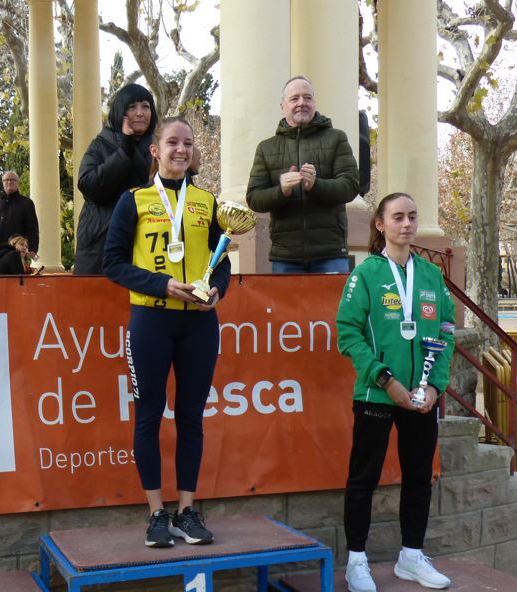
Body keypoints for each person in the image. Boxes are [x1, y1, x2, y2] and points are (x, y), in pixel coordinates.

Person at [104, 116, 230, 548]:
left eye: (188, 143)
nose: (182, 149)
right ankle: (156, 513)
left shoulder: (207, 201)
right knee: (149, 416)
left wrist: (218, 290)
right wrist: (161, 285)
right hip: (151, 320)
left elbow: (223, 258)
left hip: (198, 322)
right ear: (155, 150)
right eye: (172, 142)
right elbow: (113, 263)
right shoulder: (133, 200)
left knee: (192, 417)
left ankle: (187, 511)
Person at [336, 192, 455, 592]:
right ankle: (356, 561)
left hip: (421, 398)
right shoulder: (366, 274)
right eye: (398, 217)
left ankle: (411, 557)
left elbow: (446, 331)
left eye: (412, 217)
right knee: (362, 480)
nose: (407, 224)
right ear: (380, 225)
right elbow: (347, 332)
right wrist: (385, 379)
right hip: (377, 394)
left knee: (420, 477)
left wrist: (436, 385)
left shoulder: (431, 275)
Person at [246, 75, 359, 273]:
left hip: (330, 253)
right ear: (283, 106)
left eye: (307, 98)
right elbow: (254, 198)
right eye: (294, 98)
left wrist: (316, 185)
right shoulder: (266, 148)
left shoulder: (337, 138)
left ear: (314, 103)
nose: (301, 103)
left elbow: (350, 186)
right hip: (285, 256)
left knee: (332, 306)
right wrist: (281, 191)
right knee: (285, 306)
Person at [75, 83, 158, 274]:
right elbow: (89, 186)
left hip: (147, 242)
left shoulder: (159, 147)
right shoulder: (101, 144)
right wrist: (124, 151)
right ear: (121, 111)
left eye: (145, 106)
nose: (140, 113)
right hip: (101, 244)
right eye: (132, 107)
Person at [0, 171, 39, 257]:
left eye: (12, 180)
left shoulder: (26, 203)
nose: (9, 182)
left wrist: (32, 248)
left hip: (16, 253)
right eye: (6, 180)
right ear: (2, 183)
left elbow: (32, 229)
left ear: (18, 183)